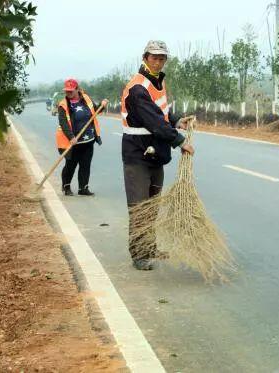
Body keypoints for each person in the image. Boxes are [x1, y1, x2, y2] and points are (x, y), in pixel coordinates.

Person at [120, 40, 194, 271]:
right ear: (145, 58)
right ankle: (140, 254)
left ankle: (150, 247)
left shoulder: (157, 82)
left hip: (155, 153)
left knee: (152, 206)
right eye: (155, 57)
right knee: (140, 207)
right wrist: (179, 140)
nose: (159, 61)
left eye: (162, 58)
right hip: (137, 154)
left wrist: (175, 121)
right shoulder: (137, 87)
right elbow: (152, 120)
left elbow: (160, 111)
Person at [56, 78, 108, 196]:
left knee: (85, 165)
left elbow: (95, 111)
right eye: (66, 91)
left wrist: (102, 105)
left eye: (71, 91)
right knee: (70, 165)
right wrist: (71, 137)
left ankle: (83, 188)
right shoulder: (63, 105)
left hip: (88, 140)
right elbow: (63, 123)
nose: (68, 93)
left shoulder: (86, 98)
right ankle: (66, 187)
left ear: (77, 89)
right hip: (73, 142)